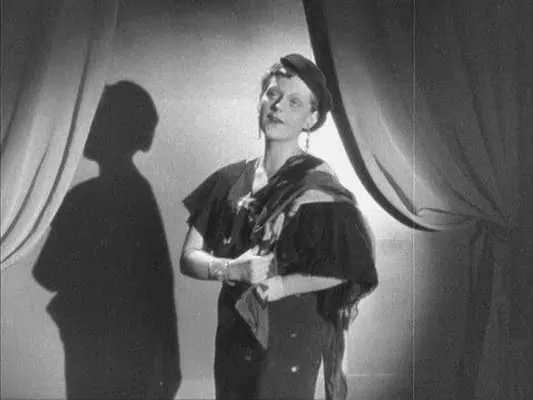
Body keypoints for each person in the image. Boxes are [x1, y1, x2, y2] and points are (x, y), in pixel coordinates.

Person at [180, 54, 378, 400]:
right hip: (235, 329)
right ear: (260, 100)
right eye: (272, 94)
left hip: (291, 332)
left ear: (311, 118)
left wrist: (282, 285)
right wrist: (230, 269)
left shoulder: (317, 184)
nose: (278, 107)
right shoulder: (229, 179)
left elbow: (346, 267)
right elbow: (189, 257)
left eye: (294, 102)